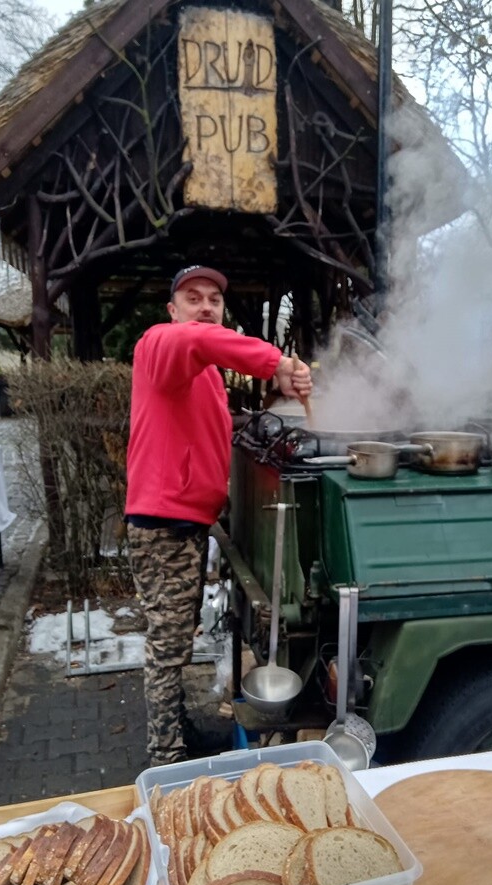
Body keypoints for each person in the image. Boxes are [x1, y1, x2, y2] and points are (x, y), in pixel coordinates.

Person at [125, 265, 313, 764]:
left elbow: (211, 421)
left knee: (176, 640)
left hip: (186, 522)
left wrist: (269, 413)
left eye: (213, 299)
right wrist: (276, 362)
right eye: (193, 297)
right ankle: (165, 758)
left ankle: (176, 729)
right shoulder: (159, 345)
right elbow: (199, 342)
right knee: (166, 650)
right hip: (162, 525)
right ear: (173, 309)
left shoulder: (202, 371)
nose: (205, 306)